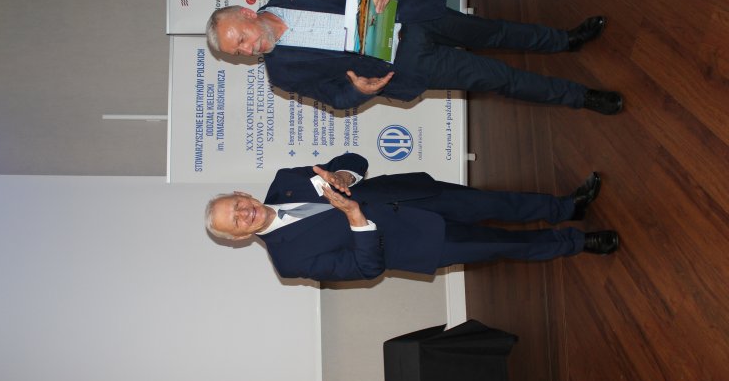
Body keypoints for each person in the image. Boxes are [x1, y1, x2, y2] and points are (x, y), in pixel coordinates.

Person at [205, 0, 622, 113]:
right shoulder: (283, 74)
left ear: (246, 13)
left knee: (493, 33)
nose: (248, 49)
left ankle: (565, 40)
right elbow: (335, 97)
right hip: (407, 64)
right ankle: (581, 97)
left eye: (240, 39)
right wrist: (359, 90)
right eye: (238, 52)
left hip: (414, 15)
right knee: (498, 78)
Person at [204, 153, 619, 282]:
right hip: (421, 244)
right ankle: (577, 243)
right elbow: (366, 268)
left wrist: (344, 174)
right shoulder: (289, 261)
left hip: (414, 195)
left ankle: (567, 208)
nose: (243, 214)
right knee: (504, 244)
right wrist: (355, 217)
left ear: (242, 194)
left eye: (235, 205)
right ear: (239, 238)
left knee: (497, 203)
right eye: (234, 222)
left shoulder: (286, 180)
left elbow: (353, 161)